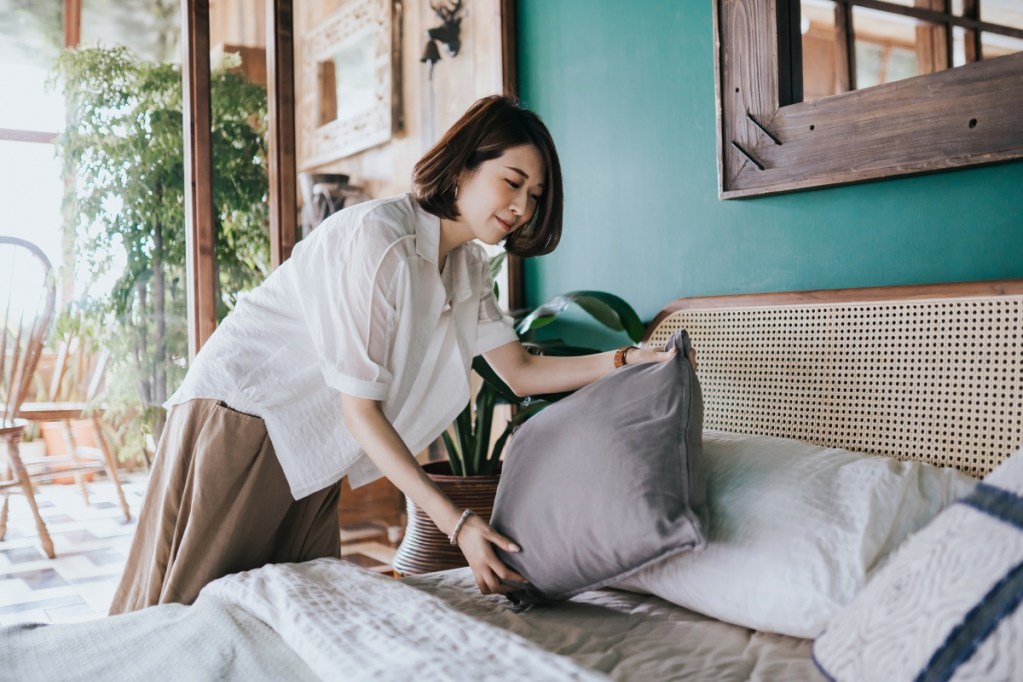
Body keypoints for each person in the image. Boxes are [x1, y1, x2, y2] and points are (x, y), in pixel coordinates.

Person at [109, 95, 679, 614]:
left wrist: (627, 360)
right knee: (181, 613)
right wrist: (456, 524)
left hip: (312, 446)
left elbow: (520, 372)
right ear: (462, 167)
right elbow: (361, 410)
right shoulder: (381, 240)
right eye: (512, 182)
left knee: (282, 616)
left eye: (534, 196)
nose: (522, 207)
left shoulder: (466, 266)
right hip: (246, 419)